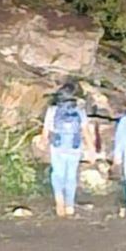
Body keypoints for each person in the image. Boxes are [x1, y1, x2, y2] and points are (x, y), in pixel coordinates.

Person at [41, 81, 91, 218]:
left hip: (58, 146)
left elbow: (46, 131)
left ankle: (59, 201)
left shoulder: (53, 110)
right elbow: (85, 130)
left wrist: (43, 142)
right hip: (74, 147)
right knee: (71, 176)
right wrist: (91, 149)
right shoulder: (80, 110)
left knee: (57, 174)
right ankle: (70, 205)